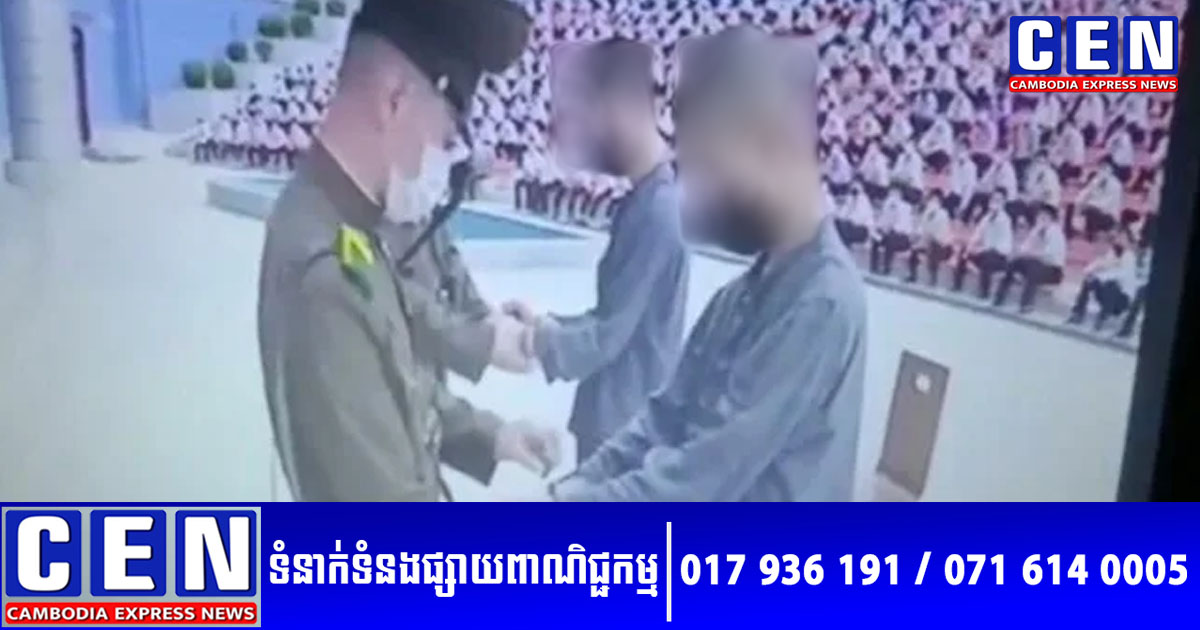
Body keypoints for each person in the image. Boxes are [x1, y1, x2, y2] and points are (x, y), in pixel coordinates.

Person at [257, 0, 560, 502]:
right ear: (394, 100)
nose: (446, 159)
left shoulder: (349, 221)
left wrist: (492, 436)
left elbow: (397, 382)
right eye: (445, 136)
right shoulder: (326, 273)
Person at [549, 27, 866, 502]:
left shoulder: (820, 303)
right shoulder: (739, 296)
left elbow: (707, 471)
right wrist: (579, 484)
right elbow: (663, 417)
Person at [503, 38, 689, 462]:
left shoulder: (657, 210)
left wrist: (535, 340)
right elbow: (615, 313)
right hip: (621, 412)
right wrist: (546, 322)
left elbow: (609, 333)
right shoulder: (648, 198)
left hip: (624, 424)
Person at [993, 206, 1067, 313]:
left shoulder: (1055, 232)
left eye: (1044, 218)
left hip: (1053, 270)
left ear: (1050, 219)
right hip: (1036, 265)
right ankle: (999, 298)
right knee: (1014, 263)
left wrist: (1031, 254)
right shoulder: (1037, 231)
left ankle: (1026, 304)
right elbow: (1024, 249)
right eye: (1039, 217)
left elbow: (1049, 256)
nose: (1040, 220)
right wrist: (1034, 233)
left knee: (1034, 268)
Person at [953, 191, 1013, 300]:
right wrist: (970, 247)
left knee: (988, 258)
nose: (994, 202)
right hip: (985, 251)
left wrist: (982, 249)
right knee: (963, 251)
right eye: (993, 199)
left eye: (998, 200)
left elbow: (1002, 246)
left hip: (999, 256)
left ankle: (984, 293)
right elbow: (977, 234)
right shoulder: (986, 218)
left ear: (1003, 202)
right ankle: (957, 285)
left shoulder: (1005, 220)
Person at [907, 192, 953, 285]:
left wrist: (929, 237)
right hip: (927, 242)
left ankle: (933, 278)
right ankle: (913, 275)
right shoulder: (926, 214)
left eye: (935, 201)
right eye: (931, 201)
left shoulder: (943, 214)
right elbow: (923, 230)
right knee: (914, 249)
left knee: (933, 247)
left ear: (940, 203)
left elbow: (941, 233)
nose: (932, 203)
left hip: (941, 245)